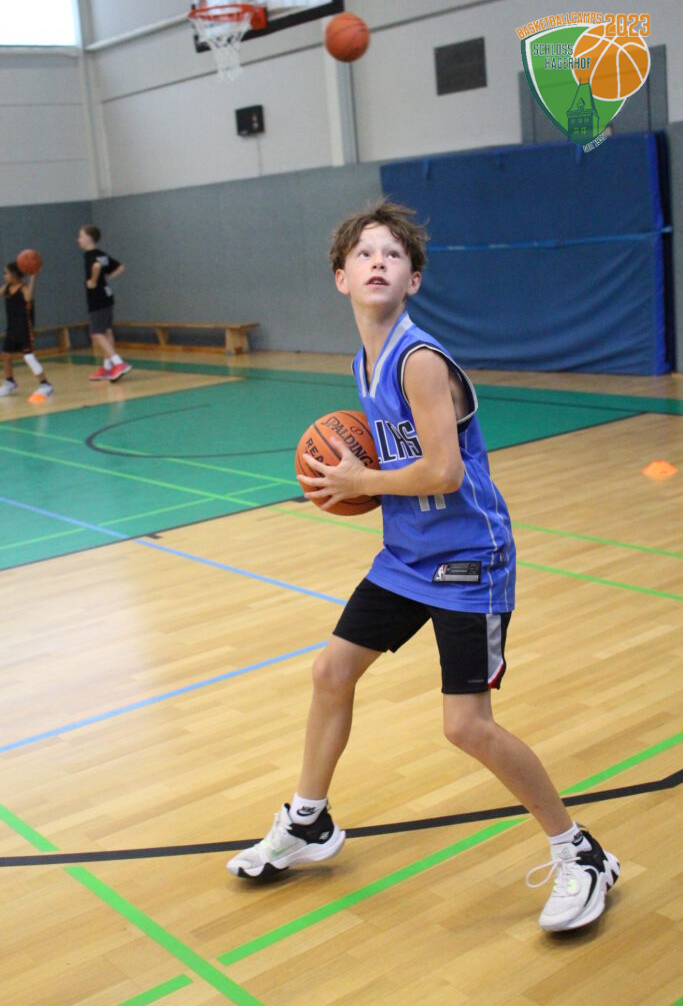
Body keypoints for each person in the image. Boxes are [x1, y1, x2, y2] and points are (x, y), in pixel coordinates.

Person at [227, 200, 619, 933]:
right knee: (330, 673)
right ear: (341, 277)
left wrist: (361, 481)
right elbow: (404, 466)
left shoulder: (419, 360)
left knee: (466, 726)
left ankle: (581, 853)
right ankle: (308, 821)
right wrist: (363, 485)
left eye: (393, 255)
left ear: (413, 280)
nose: (378, 262)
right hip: (407, 555)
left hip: (469, 559)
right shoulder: (365, 360)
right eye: (364, 254)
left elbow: (442, 471)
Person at [77, 225, 131, 382]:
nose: (78, 239)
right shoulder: (102, 255)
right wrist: (107, 278)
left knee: (96, 333)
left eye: (81, 236)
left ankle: (118, 363)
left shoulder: (90, 255)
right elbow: (121, 267)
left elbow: (96, 266)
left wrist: (93, 280)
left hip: (97, 298)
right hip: (107, 296)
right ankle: (107, 368)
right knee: (107, 332)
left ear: (88, 238)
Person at [0, 261, 53, 401]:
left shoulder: (23, 288)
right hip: (12, 329)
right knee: (6, 356)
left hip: (24, 329)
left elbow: (28, 297)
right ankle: (9, 382)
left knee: (29, 357)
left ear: (14, 274)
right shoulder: (6, 288)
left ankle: (45, 384)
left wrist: (33, 277)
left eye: (6, 273)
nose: (4, 276)